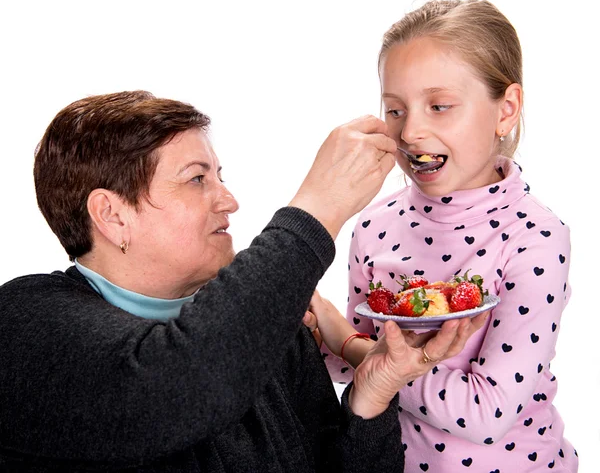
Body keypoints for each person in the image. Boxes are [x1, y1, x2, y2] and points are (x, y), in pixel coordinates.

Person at [0, 90, 484, 472]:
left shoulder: (263, 328)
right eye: (197, 179)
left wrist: (370, 399)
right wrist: (317, 210)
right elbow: (183, 385)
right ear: (112, 215)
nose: (229, 200)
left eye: (220, 176)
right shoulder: (22, 323)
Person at [315, 0, 578, 472]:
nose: (411, 130)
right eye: (395, 110)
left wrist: (348, 342)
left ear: (506, 109)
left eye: (439, 106)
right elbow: (354, 372)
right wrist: (306, 322)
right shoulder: (374, 224)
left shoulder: (536, 238)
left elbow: (486, 413)